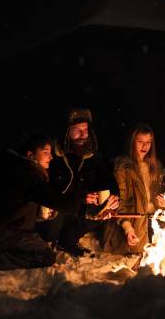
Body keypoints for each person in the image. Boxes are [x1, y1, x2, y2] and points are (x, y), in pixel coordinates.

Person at [0, 134, 80, 269]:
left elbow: (19, 206)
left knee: (42, 247)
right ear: (30, 155)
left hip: (8, 228)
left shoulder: (20, 170)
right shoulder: (27, 175)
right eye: (45, 152)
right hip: (7, 232)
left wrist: (41, 214)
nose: (51, 157)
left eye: (51, 153)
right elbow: (50, 197)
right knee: (46, 257)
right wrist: (83, 209)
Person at [44, 108, 120, 256]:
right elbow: (49, 191)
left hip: (79, 213)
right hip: (58, 210)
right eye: (77, 130)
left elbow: (108, 180)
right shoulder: (54, 156)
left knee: (101, 209)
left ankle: (67, 241)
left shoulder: (94, 156)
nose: (82, 135)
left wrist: (114, 197)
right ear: (67, 132)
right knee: (51, 227)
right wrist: (80, 197)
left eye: (85, 130)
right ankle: (48, 239)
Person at [102, 124, 165, 254]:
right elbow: (120, 203)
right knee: (142, 250)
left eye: (148, 142)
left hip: (153, 218)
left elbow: (156, 196)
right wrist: (128, 229)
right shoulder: (123, 168)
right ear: (132, 142)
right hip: (134, 220)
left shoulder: (156, 167)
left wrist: (163, 205)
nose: (145, 146)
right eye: (140, 142)